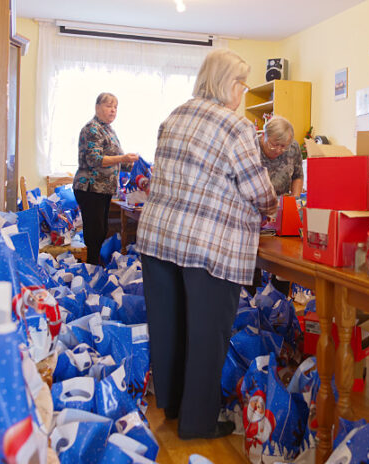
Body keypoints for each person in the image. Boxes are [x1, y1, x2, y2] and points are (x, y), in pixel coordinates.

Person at [136, 49, 277, 439]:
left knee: (170, 329)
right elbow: (256, 188)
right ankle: (197, 424)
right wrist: (272, 206)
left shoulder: (174, 116)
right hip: (207, 244)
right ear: (227, 84)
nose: (243, 92)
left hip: (159, 237)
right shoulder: (235, 126)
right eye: (242, 84)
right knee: (206, 335)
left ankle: (173, 406)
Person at [73, 92, 139, 266]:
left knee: (102, 230)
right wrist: (123, 158)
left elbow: (119, 162)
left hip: (104, 189)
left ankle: (95, 267)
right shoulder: (92, 129)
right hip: (91, 188)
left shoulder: (109, 130)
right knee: (95, 231)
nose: (113, 110)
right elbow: (94, 160)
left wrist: (140, 167)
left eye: (115, 107)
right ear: (97, 107)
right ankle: (91, 268)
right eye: (109, 106)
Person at [243, 115, 304, 296]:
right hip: (253, 211)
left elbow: (297, 175)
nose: (279, 150)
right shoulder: (249, 147)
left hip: (281, 211)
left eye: (283, 146)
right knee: (253, 259)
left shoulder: (292, 148)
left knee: (284, 258)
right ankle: (251, 301)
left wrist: (294, 201)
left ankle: (279, 302)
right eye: (274, 145)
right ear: (264, 136)